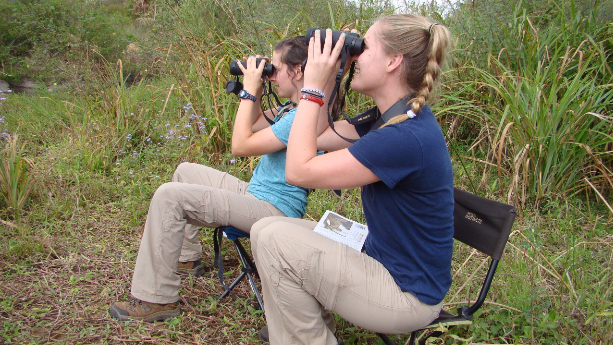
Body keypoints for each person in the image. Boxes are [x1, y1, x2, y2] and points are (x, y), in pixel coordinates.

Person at [251, 15, 455, 344]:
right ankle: (293, 331)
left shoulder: (403, 136)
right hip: (381, 257)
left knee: (276, 243)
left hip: (405, 294)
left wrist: (312, 87)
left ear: (393, 61)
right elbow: (318, 134)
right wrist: (330, 77)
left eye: (364, 47)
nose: (355, 55)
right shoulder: (389, 119)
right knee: (264, 229)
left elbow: (298, 171)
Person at [109, 36, 336, 322]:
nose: (272, 75)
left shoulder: (303, 115)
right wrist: (255, 88)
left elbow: (240, 146)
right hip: (256, 194)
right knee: (185, 171)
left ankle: (157, 299)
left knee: (170, 195)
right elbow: (252, 125)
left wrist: (251, 91)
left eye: (274, 69)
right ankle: (187, 258)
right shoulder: (291, 109)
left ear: (299, 71)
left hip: (273, 210)